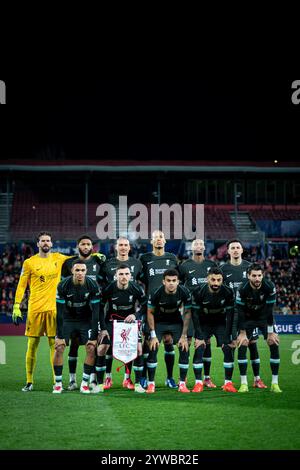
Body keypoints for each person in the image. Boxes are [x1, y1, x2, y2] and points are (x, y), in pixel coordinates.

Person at [12, 232, 71, 391]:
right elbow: (22, 285)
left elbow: (79, 258)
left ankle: (56, 382)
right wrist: (17, 305)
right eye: (43, 241)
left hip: (53, 309)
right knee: (32, 345)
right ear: (37, 244)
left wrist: (94, 255)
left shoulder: (59, 258)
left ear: (51, 243)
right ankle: (29, 381)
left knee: (55, 345)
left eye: (48, 240)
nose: (46, 243)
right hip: (35, 309)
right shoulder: (29, 263)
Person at [53, 260, 105, 394]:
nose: (80, 273)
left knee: (91, 347)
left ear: (86, 272)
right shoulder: (63, 285)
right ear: (72, 271)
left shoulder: (92, 285)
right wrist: (59, 335)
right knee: (59, 347)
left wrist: (93, 336)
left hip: (85, 319)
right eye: (77, 270)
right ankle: (58, 384)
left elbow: (95, 313)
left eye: (82, 270)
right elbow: (59, 313)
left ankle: (84, 384)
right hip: (67, 319)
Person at [221, 239, 267, 388]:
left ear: (242, 250)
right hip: (229, 314)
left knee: (252, 344)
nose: (235, 250)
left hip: (248, 314)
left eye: (237, 247)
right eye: (232, 248)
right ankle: (228, 382)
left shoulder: (249, 268)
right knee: (229, 346)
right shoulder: (222, 269)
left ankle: (257, 379)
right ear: (228, 251)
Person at [100, 237, 142, 389]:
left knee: (130, 348)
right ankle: (107, 378)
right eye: (120, 245)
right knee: (107, 348)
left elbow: (142, 289)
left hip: (130, 316)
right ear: (115, 247)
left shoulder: (137, 263)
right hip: (112, 314)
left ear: (129, 247)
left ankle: (127, 379)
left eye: (125, 245)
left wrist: (136, 315)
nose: (123, 247)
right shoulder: (107, 264)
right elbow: (101, 284)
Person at [98, 264, 148, 393]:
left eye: (126, 274)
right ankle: (106, 378)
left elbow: (145, 306)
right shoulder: (109, 288)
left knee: (137, 349)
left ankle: (131, 380)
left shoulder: (136, 288)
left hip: (129, 322)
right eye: (121, 274)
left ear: (130, 276)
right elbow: (99, 307)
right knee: (104, 347)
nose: (124, 277)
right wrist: (103, 328)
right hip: (112, 321)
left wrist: (135, 315)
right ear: (116, 276)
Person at [139, 230, 178, 389]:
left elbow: (177, 280)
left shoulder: (172, 258)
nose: (159, 240)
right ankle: (144, 377)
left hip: (169, 308)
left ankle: (170, 378)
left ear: (165, 240)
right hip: (151, 307)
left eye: (161, 237)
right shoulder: (145, 259)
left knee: (169, 342)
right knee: (149, 343)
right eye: (156, 238)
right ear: (151, 241)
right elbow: (139, 278)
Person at [178, 239, 218, 388]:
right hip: (189, 311)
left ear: (205, 248)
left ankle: (206, 378)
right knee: (186, 342)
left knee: (205, 342)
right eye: (196, 245)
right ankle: (184, 378)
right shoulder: (184, 266)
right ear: (191, 248)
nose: (199, 247)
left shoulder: (211, 265)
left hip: (206, 312)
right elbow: (178, 285)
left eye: (201, 244)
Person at [236, 263, 282, 393]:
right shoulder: (242, 289)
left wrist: (270, 332)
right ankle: (244, 383)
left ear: (263, 275)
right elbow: (240, 311)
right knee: (243, 344)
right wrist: (242, 332)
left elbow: (269, 310)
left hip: (263, 318)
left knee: (274, 343)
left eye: (259, 275)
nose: (257, 279)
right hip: (248, 318)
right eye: (254, 276)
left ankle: (274, 383)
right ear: (248, 276)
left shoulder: (269, 287)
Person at [146, 269, 192, 393]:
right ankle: (151, 383)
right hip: (159, 321)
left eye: (174, 281)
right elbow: (150, 312)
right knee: (153, 347)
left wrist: (184, 335)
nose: (171, 283)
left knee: (184, 348)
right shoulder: (156, 292)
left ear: (178, 282)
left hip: (175, 321)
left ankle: (182, 383)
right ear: (163, 282)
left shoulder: (184, 292)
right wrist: (153, 334)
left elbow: (187, 313)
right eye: (168, 281)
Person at [192, 267, 237, 393]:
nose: (216, 283)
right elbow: (195, 315)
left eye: (219, 280)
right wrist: (199, 336)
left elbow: (230, 315)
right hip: (204, 323)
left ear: (222, 280)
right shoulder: (198, 291)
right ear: (207, 279)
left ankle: (228, 383)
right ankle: (198, 383)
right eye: (213, 279)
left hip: (220, 323)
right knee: (200, 347)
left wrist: (229, 335)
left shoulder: (228, 292)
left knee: (228, 348)